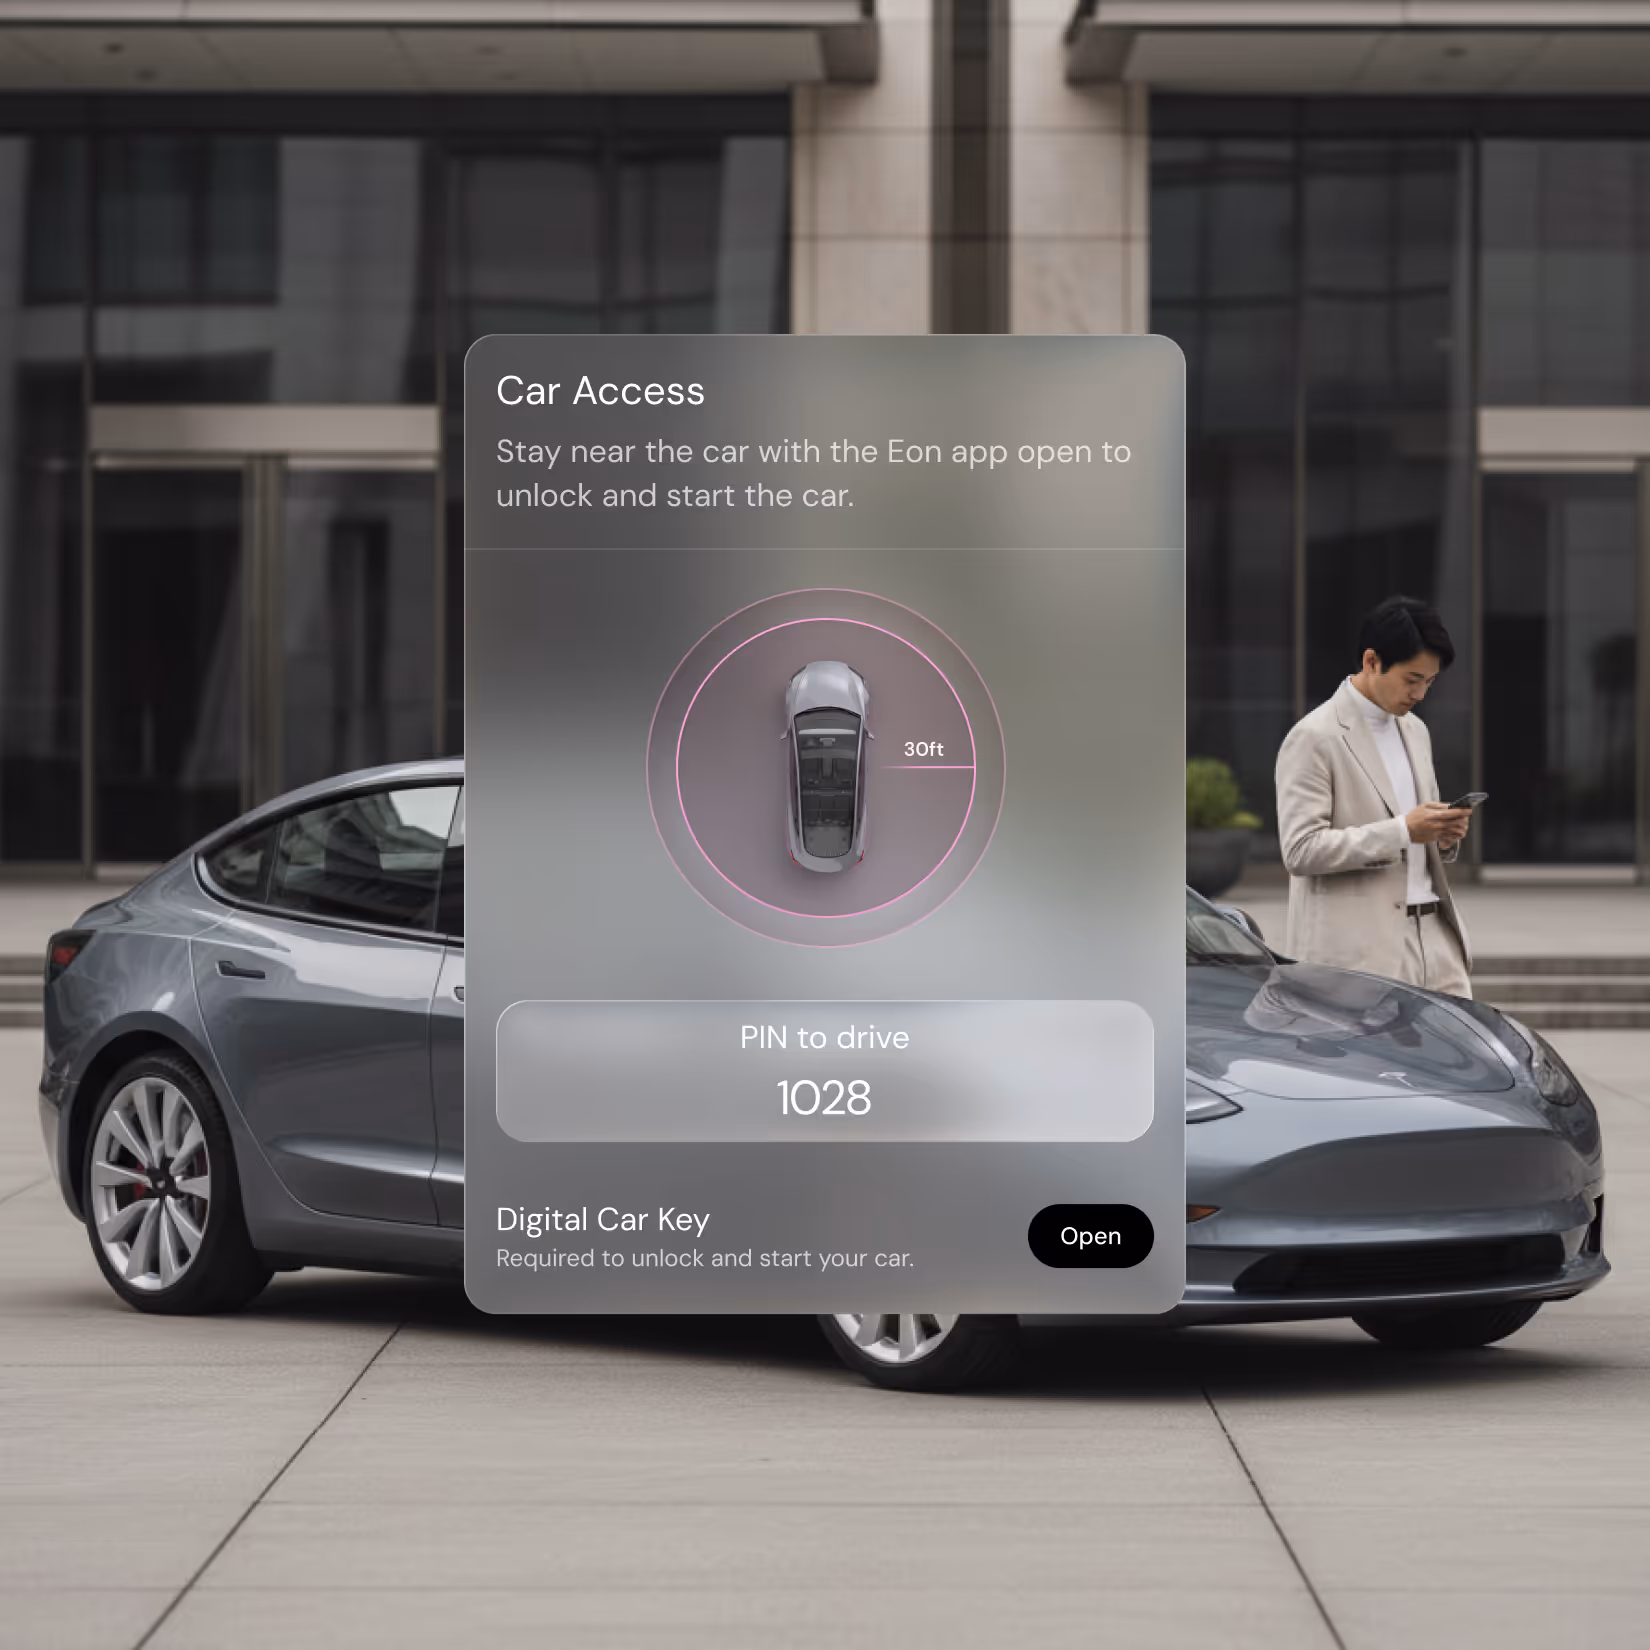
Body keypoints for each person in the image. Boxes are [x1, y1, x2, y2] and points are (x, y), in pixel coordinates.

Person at [1274, 595, 1473, 997]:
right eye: (1412, 679)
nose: (1420, 693)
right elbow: (1300, 850)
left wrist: (1441, 835)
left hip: (1436, 940)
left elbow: (1416, 836)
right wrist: (1402, 831)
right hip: (1361, 954)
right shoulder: (1314, 737)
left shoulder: (1415, 730)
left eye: (1430, 682)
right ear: (1371, 661)